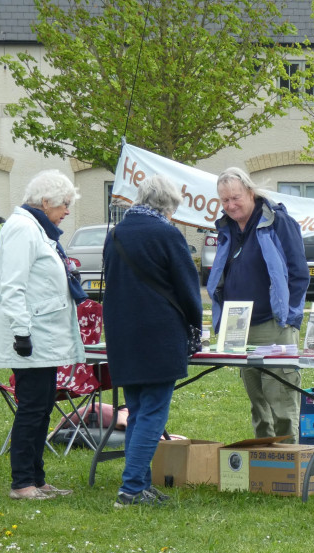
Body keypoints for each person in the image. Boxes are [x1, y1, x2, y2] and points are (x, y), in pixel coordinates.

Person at [103, 174, 202, 508]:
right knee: (153, 413)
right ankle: (131, 489)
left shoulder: (116, 234)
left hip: (123, 334)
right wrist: (196, 327)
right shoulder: (167, 233)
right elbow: (188, 289)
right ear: (168, 205)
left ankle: (139, 485)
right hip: (159, 334)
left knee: (138, 410)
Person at [0, 170, 86, 500]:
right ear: (44, 202)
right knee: (32, 409)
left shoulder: (37, 229)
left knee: (42, 407)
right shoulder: (22, 229)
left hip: (42, 336)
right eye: (64, 204)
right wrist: (21, 333)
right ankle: (22, 483)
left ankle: (37, 478)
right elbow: (12, 286)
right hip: (30, 338)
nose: (68, 210)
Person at [208, 167, 309, 442]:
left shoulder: (277, 222)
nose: (230, 205)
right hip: (238, 326)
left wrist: (289, 316)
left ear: (251, 192)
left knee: (281, 398)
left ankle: (288, 464)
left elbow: (299, 272)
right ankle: (263, 462)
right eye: (225, 200)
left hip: (273, 324)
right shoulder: (227, 229)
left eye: (236, 198)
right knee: (257, 403)